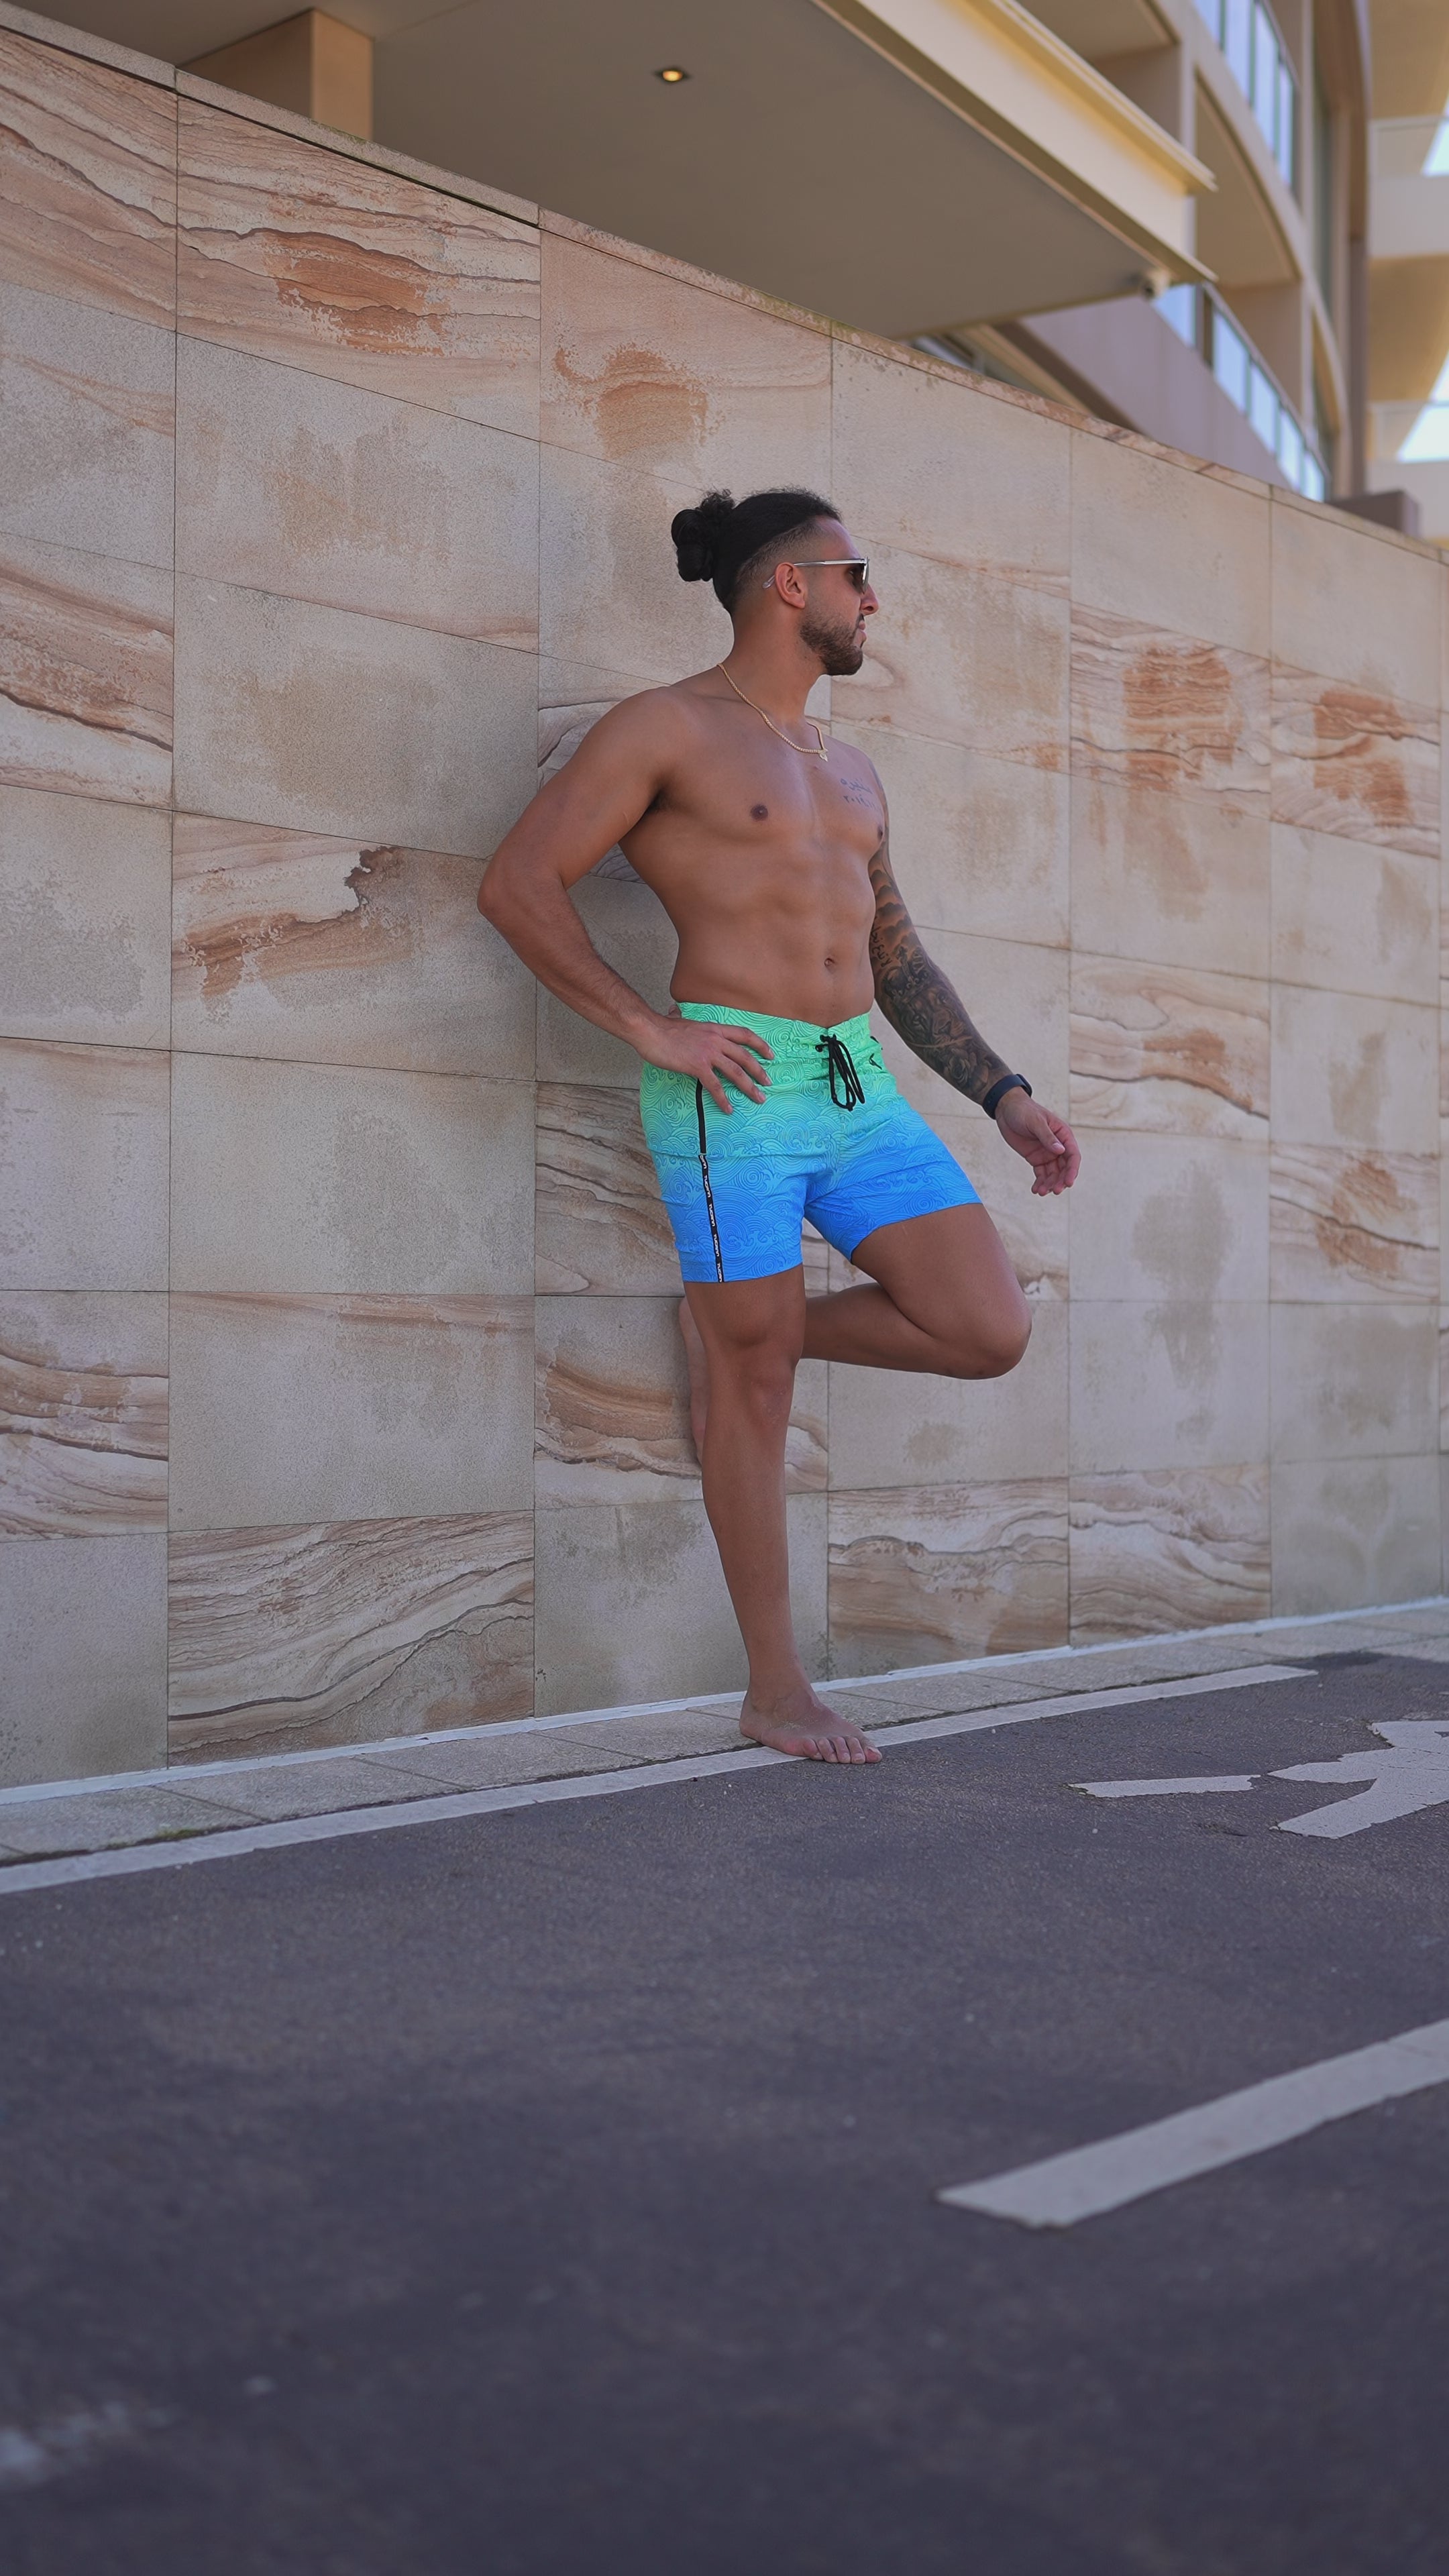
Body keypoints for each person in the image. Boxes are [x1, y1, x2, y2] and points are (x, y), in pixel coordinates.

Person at [479, 487, 1080, 1766]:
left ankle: (741, 1325)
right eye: (859, 573)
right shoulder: (665, 728)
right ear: (791, 585)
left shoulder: (849, 770)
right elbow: (518, 883)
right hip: (732, 1091)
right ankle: (775, 1688)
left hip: (860, 1084)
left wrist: (1005, 1093)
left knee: (986, 1327)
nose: (878, 598)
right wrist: (653, 1029)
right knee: (751, 1389)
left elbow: (898, 953)